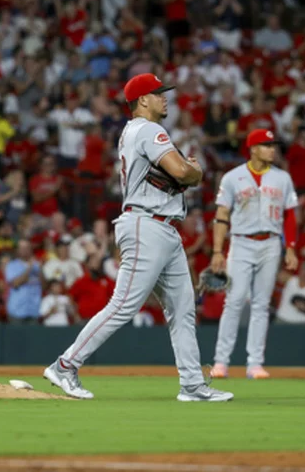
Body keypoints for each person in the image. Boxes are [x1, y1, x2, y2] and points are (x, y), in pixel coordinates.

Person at [43, 73, 233, 402]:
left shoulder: (134, 131)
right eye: (159, 94)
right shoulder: (148, 129)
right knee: (124, 305)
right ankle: (65, 365)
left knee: (183, 308)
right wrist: (194, 171)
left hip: (161, 226)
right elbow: (182, 172)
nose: (165, 98)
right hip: (147, 224)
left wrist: (187, 174)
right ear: (143, 100)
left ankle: (192, 385)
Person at [209, 128, 299, 380]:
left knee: (261, 305)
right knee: (234, 300)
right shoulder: (232, 177)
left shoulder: (282, 178)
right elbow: (221, 215)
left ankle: (255, 364)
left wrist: (290, 246)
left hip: (270, 243)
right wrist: (218, 250)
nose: (272, 149)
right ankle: (221, 362)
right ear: (253, 149)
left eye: (273, 145)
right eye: (267, 145)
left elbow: (290, 215)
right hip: (241, 242)